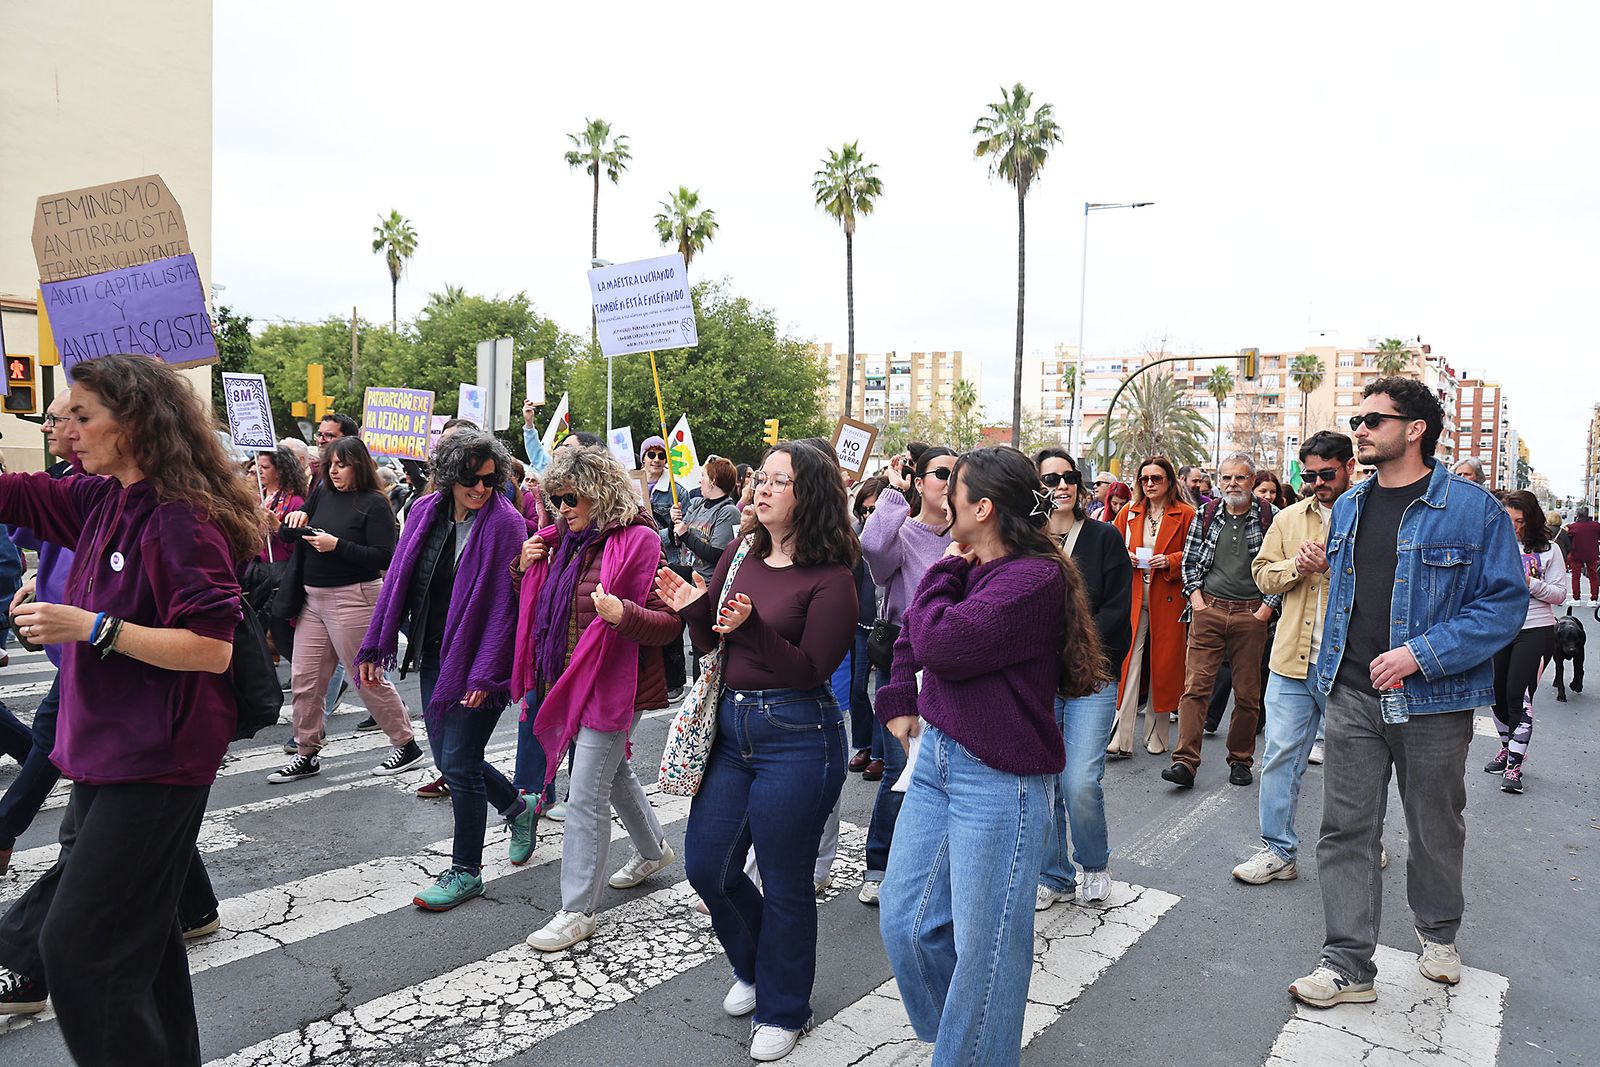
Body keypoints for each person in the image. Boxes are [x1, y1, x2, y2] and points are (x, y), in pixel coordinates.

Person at [0, 354, 258, 1063]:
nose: (66, 428)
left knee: (78, 948)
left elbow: (211, 648)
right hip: (107, 752)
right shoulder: (102, 496)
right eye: (65, 415)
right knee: (144, 943)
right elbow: (15, 495)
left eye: (83, 416)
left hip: (159, 758)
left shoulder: (181, 520)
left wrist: (90, 625)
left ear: (135, 421)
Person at [1289, 377, 1525, 1009]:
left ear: (1414, 429)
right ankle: (1346, 964)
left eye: (1372, 420)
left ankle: (1438, 932)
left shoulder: (1473, 510)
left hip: (1433, 702)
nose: (1359, 430)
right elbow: (1354, 596)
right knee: (1345, 830)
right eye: (1358, 419)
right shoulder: (1349, 506)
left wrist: (1420, 654)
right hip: (1350, 692)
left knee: (1434, 827)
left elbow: (1504, 604)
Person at [878, 447, 1107, 1065]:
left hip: (1000, 781)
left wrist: (948, 568)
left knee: (988, 953)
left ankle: (971, 1052)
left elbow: (942, 642)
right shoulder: (974, 564)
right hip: (937, 764)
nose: (944, 494)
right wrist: (899, 694)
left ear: (982, 507)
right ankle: (963, 1040)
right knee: (905, 925)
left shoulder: (1034, 578)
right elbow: (911, 634)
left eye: (955, 485)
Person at [656, 440, 857, 1062]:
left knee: (786, 878)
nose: (761, 489)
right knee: (707, 867)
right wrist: (693, 611)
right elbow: (713, 640)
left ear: (810, 496)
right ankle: (758, 965)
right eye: (760, 480)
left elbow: (809, 669)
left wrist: (754, 629)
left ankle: (785, 1005)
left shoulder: (833, 579)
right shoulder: (741, 554)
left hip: (799, 735)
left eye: (778, 481)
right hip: (732, 730)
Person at [351, 431, 534, 909]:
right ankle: (519, 808)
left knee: (456, 762)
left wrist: (486, 673)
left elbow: (504, 609)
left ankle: (466, 870)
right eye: (470, 479)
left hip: (477, 663)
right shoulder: (422, 513)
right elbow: (397, 581)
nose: (480, 488)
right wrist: (376, 643)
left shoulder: (507, 525)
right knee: (454, 760)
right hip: (434, 653)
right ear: (450, 475)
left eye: (490, 480)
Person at [509, 445, 682, 946]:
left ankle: (578, 911)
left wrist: (623, 615)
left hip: (611, 685)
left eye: (571, 498)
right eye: (556, 498)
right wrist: (522, 566)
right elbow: (529, 603)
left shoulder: (640, 541)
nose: (561, 508)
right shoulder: (554, 541)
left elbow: (671, 624)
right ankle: (653, 851)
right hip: (562, 682)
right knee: (614, 772)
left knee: (585, 796)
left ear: (598, 495)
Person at [1233, 431, 1354, 884]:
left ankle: (1364, 838)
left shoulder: (1370, 514)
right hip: (1291, 660)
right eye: (1310, 474)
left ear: (1348, 467)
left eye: (1327, 473)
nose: (1318, 482)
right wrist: (1296, 568)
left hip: (1348, 665)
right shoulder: (1287, 519)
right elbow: (1262, 576)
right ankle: (1278, 850)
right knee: (1280, 757)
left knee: (1355, 763)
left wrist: (1333, 565)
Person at [269, 437, 423, 782]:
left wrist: (336, 545)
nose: (334, 471)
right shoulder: (322, 491)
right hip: (313, 599)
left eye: (342, 465)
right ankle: (306, 752)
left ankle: (406, 743)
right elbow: (292, 533)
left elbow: (385, 557)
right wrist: (294, 519)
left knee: (366, 677)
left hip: (354, 598)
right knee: (305, 679)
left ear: (359, 465)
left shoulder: (373, 503)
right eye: (330, 464)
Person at [856, 445, 957, 906]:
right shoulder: (903, 530)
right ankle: (880, 864)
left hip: (957, 659)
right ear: (919, 483)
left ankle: (933, 864)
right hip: (905, 656)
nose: (949, 483)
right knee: (902, 767)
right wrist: (894, 494)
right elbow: (872, 550)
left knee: (948, 768)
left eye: (958, 475)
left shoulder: (969, 534)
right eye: (940, 474)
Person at [1033, 448, 1132, 910]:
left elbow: (1117, 608)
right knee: (1045, 779)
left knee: (1079, 781)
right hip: (1038, 677)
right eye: (1051, 478)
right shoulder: (1027, 540)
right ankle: (1053, 874)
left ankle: (1093, 864)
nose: (1062, 485)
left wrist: (1075, 640)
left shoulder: (1104, 537)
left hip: (1092, 673)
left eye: (1070, 476)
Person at [1164, 454, 1280, 789]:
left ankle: (1241, 760)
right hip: (1208, 611)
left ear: (1252, 480)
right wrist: (1197, 601)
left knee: (1247, 694)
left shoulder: (1270, 517)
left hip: (1251, 615)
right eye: (1226, 478)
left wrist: (1265, 610)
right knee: (1195, 690)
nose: (1232, 484)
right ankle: (1184, 762)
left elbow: (1281, 568)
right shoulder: (1207, 513)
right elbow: (1188, 562)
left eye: (1240, 478)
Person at [0, 391, 79, 879]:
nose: (45, 428)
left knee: (105, 805)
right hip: (73, 654)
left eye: (58, 418)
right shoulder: (76, 483)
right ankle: (196, 908)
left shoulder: (152, 498)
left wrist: (93, 626)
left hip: (102, 660)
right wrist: (36, 582)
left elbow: (209, 645)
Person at [1107, 456, 1195, 757]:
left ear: (1169, 480)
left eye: (1156, 478)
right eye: (1144, 479)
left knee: (1164, 664)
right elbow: (1113, 544)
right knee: (1128, 662)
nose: (1149, 484)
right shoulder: (1130, 512)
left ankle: (1158, 734)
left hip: (1168, 597)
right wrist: (1125, 556)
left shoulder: (1185, 514)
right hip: (1133, 595)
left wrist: (1169, 560)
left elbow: (1197, 554)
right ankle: (1120, 736)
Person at [1487, 491, 1567, 793]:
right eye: (1509, 521)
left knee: (1516, 694)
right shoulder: (1496, 544)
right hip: (1499, 628)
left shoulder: (1550, 551)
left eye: (1520, 521)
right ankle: (1507, 748)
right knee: (1495, 694)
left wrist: (1529, 583)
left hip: (1536, 629)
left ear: (1531, 520)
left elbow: (1560, 595)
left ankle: (1515, 767)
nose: (1514, 528)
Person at [848, 476, 889, 778]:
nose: (869, 516)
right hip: (859, 622)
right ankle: (864, 744)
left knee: (884, 691)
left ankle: (880, 752)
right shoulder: (854, 538)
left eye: (875, 510)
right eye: (864, 510)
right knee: (857, 689)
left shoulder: (894, 537)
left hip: (886, 624)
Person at [673, 456, 741, 587]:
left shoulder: (729, 512)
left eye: (703, 476)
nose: (700, 481)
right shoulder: (697, 503)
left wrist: (685, 535)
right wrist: (674, 521)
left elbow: (716, 554)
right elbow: (676, 540)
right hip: (686, 580)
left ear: (713, 480)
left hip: (706, 585)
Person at [256, 444, 309, 563]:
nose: (259, 471)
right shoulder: (256, 497)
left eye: (265, 467)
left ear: (280, 471)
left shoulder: (295, 502)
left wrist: (276, 525)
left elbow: (297, 544)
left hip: (278, 568)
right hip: (254, 564)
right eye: (258, 466)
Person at [1567, 505, 1599, 601]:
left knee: (1575, 577)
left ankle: (1576, 598)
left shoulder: (1573, 527)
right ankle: (1594, 598)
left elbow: (1569, 540)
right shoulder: (1596, 526)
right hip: (1592, 554)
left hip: (1577, 554)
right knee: (1593, 576)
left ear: (1578, 515)